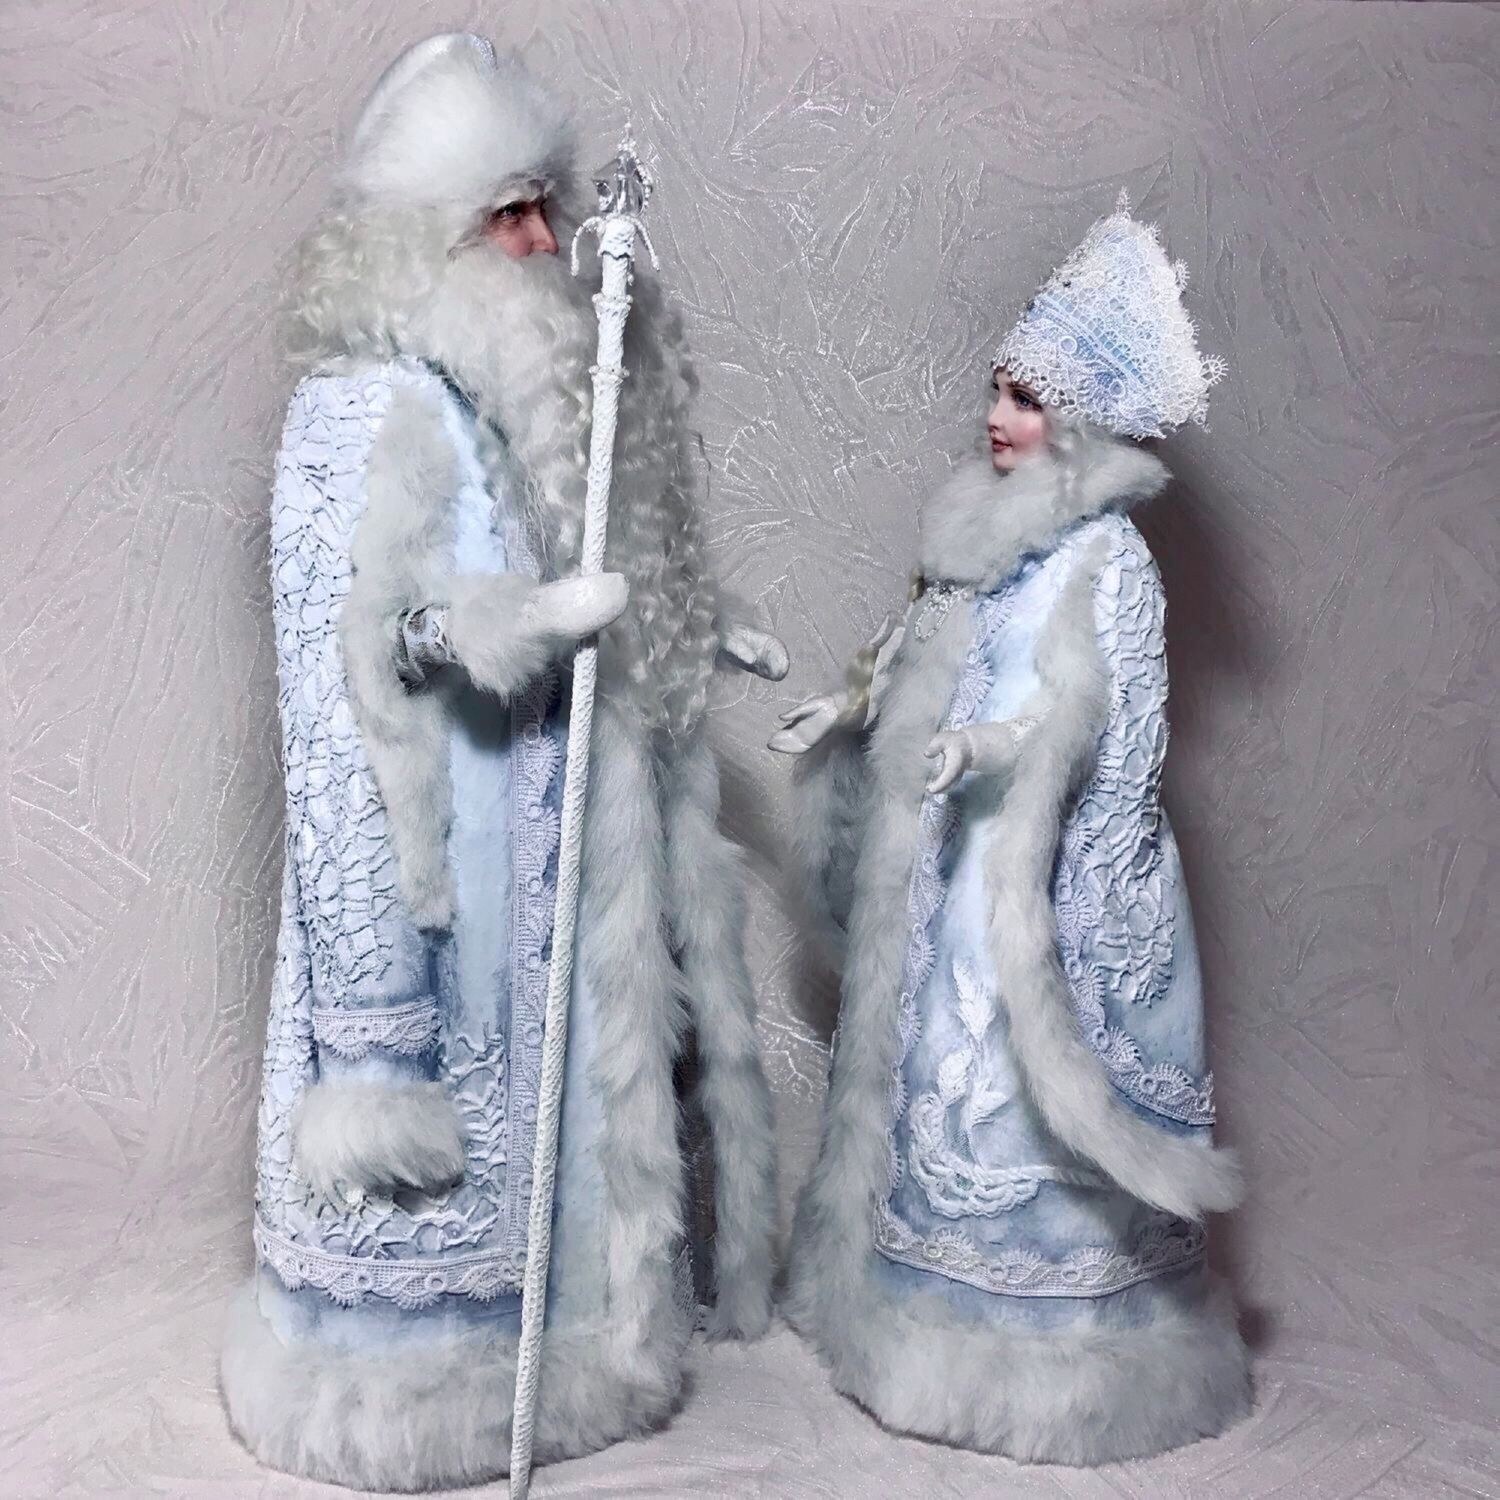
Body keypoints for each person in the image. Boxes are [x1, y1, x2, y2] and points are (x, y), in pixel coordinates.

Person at [220, 33, 782, 1491]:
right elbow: (341, 668)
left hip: (551, 865)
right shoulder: (360, 408)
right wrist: (503, 626)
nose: (542, 241)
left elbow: (591, 570)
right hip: (441, 881)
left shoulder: (519, 395)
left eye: (545, 206)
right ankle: (423, 1376)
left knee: (575, 1102)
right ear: (429, 234)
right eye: (508, 214)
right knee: (464, 1153)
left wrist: (677, 628)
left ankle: (584, 1345)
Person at [773, 194, 1251, 1463]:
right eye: (998, 389)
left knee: (1011, 1074)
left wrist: (981, 748)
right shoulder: (988, 534)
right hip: (956, 857)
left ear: (1081, 421)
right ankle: (927, 1320)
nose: (997, 417)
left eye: (1027, 399)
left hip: (1031, 876)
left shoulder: (1108, 560)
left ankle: (1052, 1343)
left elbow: (1082, 721)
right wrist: (855, 702)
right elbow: (926, 642)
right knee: (942, 1067)